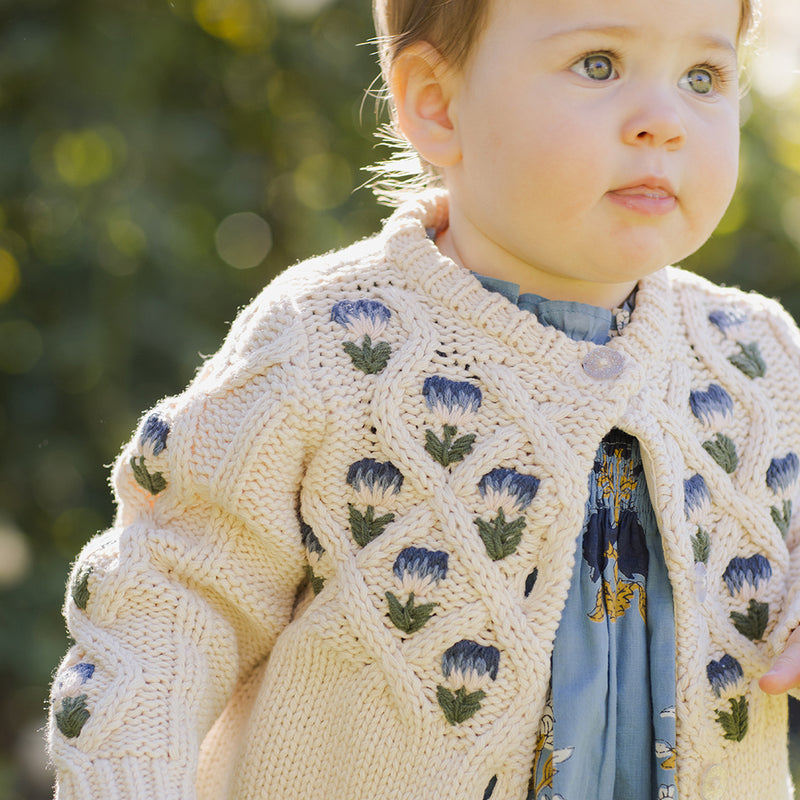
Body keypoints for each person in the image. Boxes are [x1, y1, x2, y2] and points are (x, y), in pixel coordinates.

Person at [47, 0, 800, 797]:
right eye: (599, 65)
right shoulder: (333, 344)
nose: (665, 121)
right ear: (436, 105)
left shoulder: (760, 363)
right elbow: (168, 602)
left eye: (702, 76)